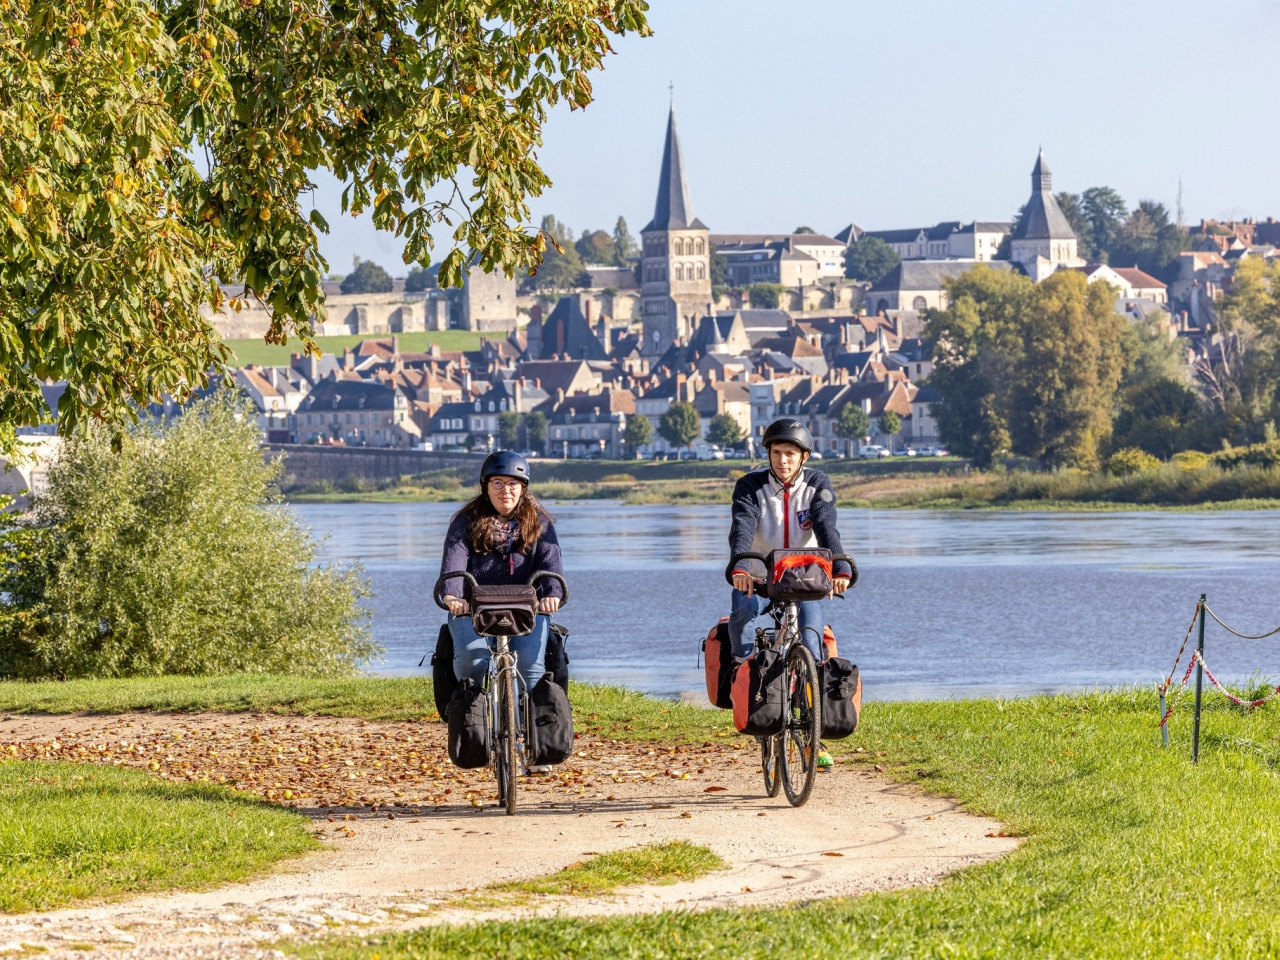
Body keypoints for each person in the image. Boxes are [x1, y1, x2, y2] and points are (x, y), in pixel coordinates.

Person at [727, 418, 853, 768]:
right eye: (777, 453)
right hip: (756, 573)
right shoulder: (750, 486)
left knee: (812, 648)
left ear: (803, 457)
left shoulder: (817, 484)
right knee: (742, 616)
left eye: (791, 454)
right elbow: (742, 527)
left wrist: (840, 568)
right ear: (768, 453)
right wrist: (740, 566)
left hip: (804, 576)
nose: (783, 461)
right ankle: (743, 672)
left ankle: (815, 737)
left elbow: (828, 527)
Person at [438, 450, 564, 711]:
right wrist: (452, 596)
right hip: (473, 608)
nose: (505, 491)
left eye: (512, 484)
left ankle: (531, 730)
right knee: (471, 662)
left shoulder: (539, 522)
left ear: (523, 488)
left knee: (531, 668)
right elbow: (454, 563)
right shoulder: (465, 522)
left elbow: (551, 563)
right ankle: (473, 724)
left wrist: (552, 593)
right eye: (497, 483)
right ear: (486, 487)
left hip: (528, 609)